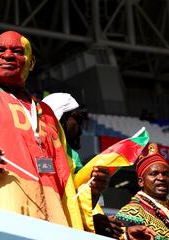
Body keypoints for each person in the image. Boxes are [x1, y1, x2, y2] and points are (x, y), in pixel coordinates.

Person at [0, 30, 109, 230]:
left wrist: (92, 188)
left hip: (51, 224)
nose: (7, 55)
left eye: (17, 51)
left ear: (31, 62)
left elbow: (67, 177)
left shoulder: (48, 114)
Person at [43, 92, 123, 238]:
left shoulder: (73, 156)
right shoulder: (40, 148)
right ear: (59, 117)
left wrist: (97, 215)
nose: (80, 130)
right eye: (78, 120)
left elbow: (79, 200)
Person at [116, 143, 169, 240]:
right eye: (154, 174)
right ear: (141, 182)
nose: (161, 178)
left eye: (165, 174)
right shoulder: (131, 211)